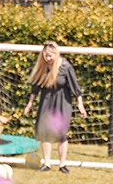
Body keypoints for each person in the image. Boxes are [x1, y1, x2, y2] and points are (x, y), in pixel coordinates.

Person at [22, 41, 87, 173]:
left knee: (61, 133)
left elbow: (75, 87)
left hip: (63, 100)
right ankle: (47, 163)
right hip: (46, 99)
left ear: (56, 54)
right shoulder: (42, 67)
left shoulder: (66, 66)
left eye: (50, 56)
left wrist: (80, 105)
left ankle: (62, 165)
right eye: (45, 56)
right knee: (45, 132)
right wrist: (30, 103)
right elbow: (35, 87)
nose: (48, 58)